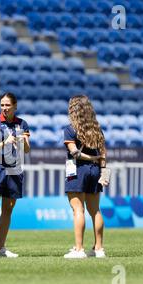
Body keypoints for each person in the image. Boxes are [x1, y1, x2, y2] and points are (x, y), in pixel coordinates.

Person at [0, 92, 30, 258]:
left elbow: (27, 150)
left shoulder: (22, 123)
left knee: (8, 209)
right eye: (2, 105)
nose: (4, 108)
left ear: (15, 106)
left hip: (14, 169)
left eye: (7, 105)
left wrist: (23, 141)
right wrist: (5, 142)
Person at [63, 95, 109, 259]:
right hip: (95, 171)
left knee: (78, 210)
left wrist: (90, 158)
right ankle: (99, 249)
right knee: (95, 210)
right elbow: (103, 154)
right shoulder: (97, 129)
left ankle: (79, 249)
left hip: (77, 170)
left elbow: (74, 152)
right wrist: (104, 172)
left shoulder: (70, 129)